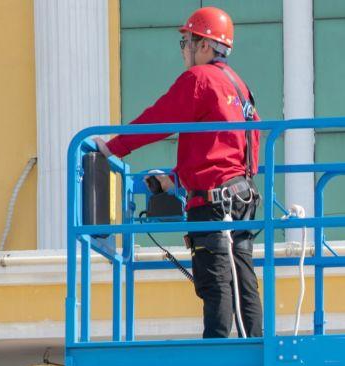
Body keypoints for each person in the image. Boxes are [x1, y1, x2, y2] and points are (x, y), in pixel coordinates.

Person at [95, 7, 263, 339]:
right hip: (240, 197)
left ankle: (216, 350)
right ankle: (256, 343)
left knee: (215, 279)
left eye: (186, 41)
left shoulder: (200, 79)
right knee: (242, 277)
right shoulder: (240, 88)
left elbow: (159, 119)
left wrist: (113, 147)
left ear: (205, 45)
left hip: (215, 206)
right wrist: (177, 178)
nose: (184, 49)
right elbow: (233, 148)